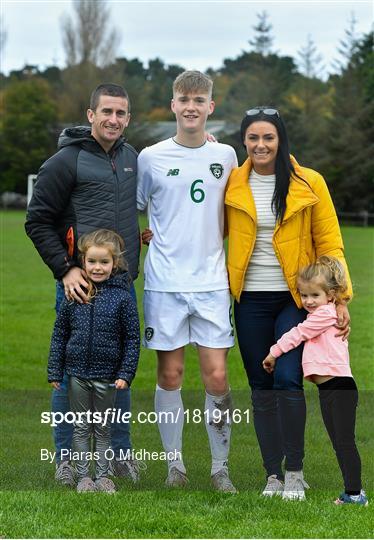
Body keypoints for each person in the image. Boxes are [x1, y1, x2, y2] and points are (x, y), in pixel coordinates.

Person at [225, 107, 352, 500]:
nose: (260, 145)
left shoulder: (308, 182)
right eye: (252, 138)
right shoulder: (232, 183)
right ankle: (272, 476)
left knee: (286, 378)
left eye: (268, 137)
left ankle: (295, 472)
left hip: (298, 299)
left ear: (280, 141)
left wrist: (341, 297)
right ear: (243, 142)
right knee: (261, 385)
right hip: (248, 300)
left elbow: (330, 242)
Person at [25, 83, 141, 485]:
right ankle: (66, 459)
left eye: (121, 113)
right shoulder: (65, 161)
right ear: (90, 115)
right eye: (106, 111)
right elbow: (37, 221)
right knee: (69, 375)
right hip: (79, 285)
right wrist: (65, 269)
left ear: (128, 118)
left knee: (120, 374)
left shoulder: (131, 158)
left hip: (121, 284)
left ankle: (120, 457)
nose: (113, 119)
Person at [137, 71, 238, 492]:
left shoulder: (228, 156)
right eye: (184, 99)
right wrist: (143, 235)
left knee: (216, 377)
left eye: (199, 100)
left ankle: (220, 468)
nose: (191, 106)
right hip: (164, 284)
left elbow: (235, 216)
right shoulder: (150, 157)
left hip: (212, 283)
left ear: (210, 107)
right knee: (171, 374)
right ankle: (174, 466)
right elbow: (133, 209)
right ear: (173, 105)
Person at [263, 256, 368, 506]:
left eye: (314, 295)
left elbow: (298, 334)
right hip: (328, 389)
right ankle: (351, 492)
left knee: (344, 442)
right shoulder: (323, 310)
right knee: (339, 443)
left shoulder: (325, 314)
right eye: (304, 295)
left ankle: (355, 494)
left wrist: (273, 352)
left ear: (331, 295)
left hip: (339, 387)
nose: (308, 301)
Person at [48, 229, 140, 493]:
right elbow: (59, 335)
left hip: (107, 377)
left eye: (104, 262)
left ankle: (103, 477)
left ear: (115, 263)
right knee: (79, 428)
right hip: (77, 374)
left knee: (102, 428)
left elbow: (132, 339)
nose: (97, 268)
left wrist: (126, 373)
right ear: (82, 262)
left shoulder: (122, 298)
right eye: (92, 262)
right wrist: (55, 370)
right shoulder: (75, 294)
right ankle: (82, 478)